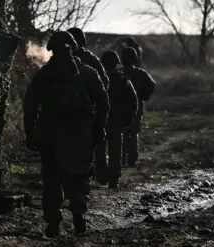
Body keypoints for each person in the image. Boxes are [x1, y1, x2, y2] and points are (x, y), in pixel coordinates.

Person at [23, 31, 109, 237]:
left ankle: (53, 222)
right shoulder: (87, 72)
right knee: (79, 176)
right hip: (81, 133)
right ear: (73, 48)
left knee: (52, 179)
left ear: (51, 50)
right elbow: (103, 102)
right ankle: (78, 213)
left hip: (51, 134)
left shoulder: (44, 75)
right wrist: (98, 128)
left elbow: (30, 107)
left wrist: (30, 134)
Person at [67, 27, 110, 184]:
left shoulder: (62, 59)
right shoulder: (89, 59)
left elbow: (103, 82)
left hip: (74, 110)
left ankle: (95, 175)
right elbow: (104, 83)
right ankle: (98, 175)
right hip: (82, 110)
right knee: (96, 139)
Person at [100, 50, 138, 188]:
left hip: (100, 120)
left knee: (99, 149)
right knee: (115, 150)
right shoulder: (123, 80)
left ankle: (101, 175)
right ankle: (113, 179)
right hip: (116, 121)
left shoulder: (97, 78)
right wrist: (128, 119)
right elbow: (134, 102)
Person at [121, 47, 156, 168]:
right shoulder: (140, 73)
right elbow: (152, 85)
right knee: (133, 132)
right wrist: (143, 96)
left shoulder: (118, 72)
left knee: (120, 133)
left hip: (118, 108)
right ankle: (131, 158)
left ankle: (120, 157)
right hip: (135, 107)